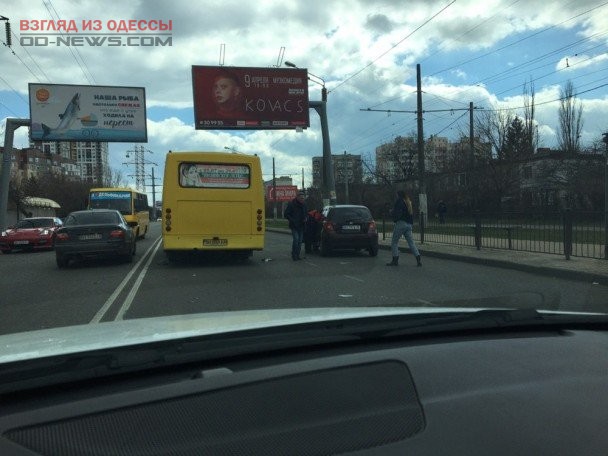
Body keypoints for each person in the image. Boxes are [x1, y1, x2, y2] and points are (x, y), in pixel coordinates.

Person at [387, 190, 422, 267]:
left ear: (398, 195)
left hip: (401, 223)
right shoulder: (408, 202)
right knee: (411, 243)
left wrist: (391, 213)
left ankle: (395, 260)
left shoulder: (399, 201)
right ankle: (418, 259)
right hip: (409, 224)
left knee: (394, 242)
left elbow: (397, 212)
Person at [284, 191, 307, 261]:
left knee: (300, 241)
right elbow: (286, 214)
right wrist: (292, 220)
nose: (302, 199)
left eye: (303, 198)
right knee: (296, 240)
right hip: (294, 225)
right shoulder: (291, 204)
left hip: (302, 225)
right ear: (297, 198)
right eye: (301, 198)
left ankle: (297, 255)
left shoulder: (304, 205)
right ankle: (294, 255)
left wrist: (306, 218)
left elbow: (306, 213)